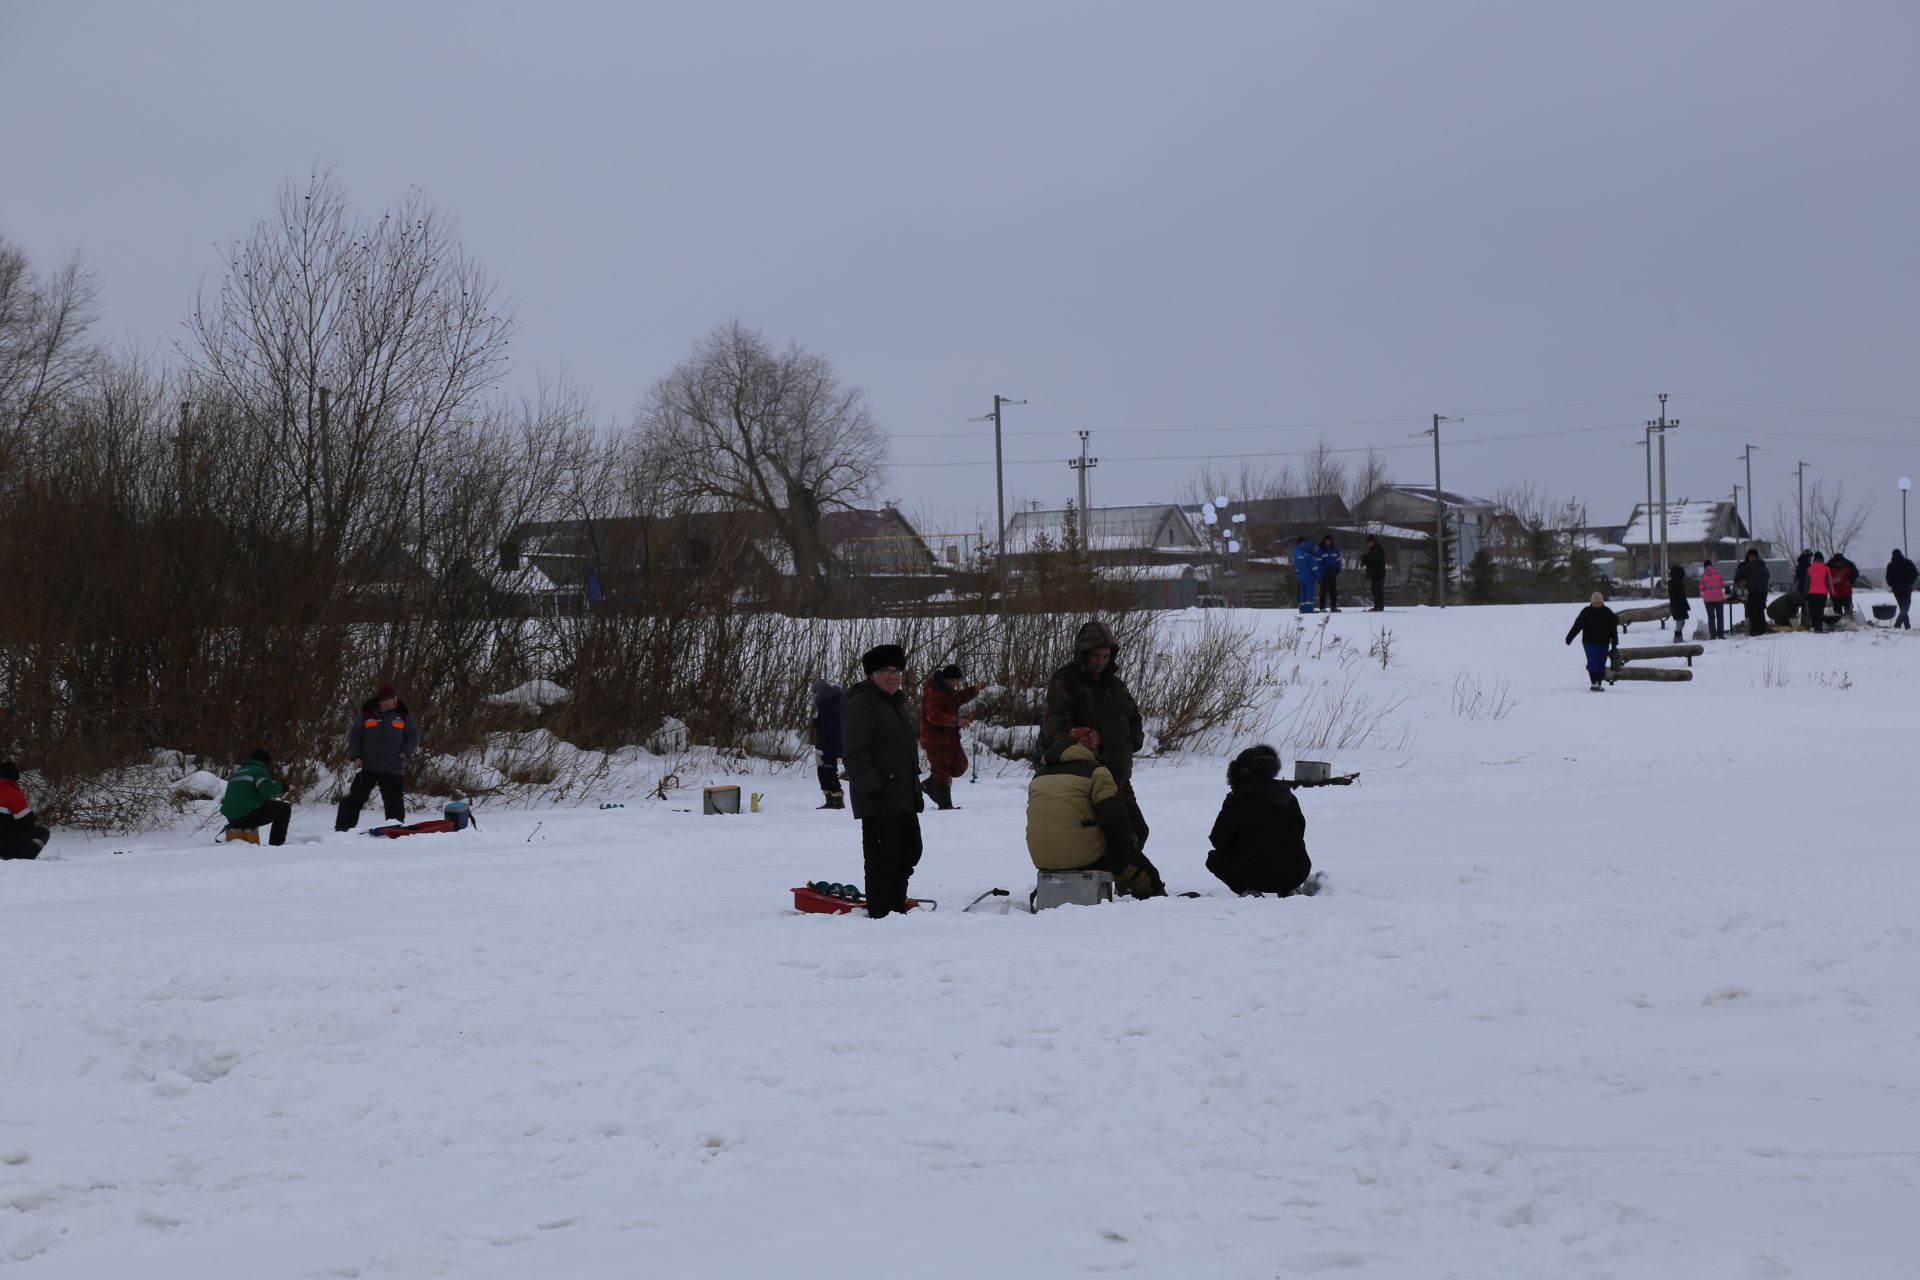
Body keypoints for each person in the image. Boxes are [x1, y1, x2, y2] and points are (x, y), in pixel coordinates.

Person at [1042, 620, 1149, 852]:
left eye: (1105, 656)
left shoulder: (1116, 686)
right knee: (1095, 836)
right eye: (1095, 656)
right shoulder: (1065, 680)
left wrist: (1131, 742)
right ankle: (1097, 883)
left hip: (1118, 775)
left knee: (1137, 830)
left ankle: (1123, 881)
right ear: (1083, 653)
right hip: (1084, 777)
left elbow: (1134, 717)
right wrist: (1079, 740)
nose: (1101, 662)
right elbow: (1054, 724)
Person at [1026, 727, 1165, 899]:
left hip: (1043, 860)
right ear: (1090, 746)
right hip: (1083, 859)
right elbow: (1115, 818)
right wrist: (1125, 848)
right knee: (1142, 870)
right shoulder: (1096, 773)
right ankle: (1156, 900)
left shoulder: (1039, 777)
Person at [842, 644, 925, 919]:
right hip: (879, 797)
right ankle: (882, 913)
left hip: (903, 796)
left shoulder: (895, 703)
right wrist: (871, 789)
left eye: (897, 671)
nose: (893, 676)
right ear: (871, 674)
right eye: (885, 671)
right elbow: (854, 752)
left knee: (910, 851)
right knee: (883, 859)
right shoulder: (861, 704)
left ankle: (896, 905)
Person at [1206, 745, 1312, 897]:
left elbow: (1219, 841)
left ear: (1240, 772)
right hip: (1298, 872)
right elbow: (1300, 831)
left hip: (1257, 876)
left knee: (1213, 859)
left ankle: (1249, 891)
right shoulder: (1288, 796)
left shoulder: (1236, 800)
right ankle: (1290, 889)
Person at [334, 683, 420, 831]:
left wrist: (405, 753)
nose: (395, 701)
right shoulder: (366, 713)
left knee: (394, 802)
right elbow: (355, 735)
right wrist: (356, 756)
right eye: (392, 698)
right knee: (354, 799)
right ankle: (342, 830)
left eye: (396, 697)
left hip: (393, 767)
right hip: (368, 766)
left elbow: (414, 735)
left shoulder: (403, 715)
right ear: (383, 700)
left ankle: (395, 830)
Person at [918, 663, 982, 811]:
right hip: (935, 739)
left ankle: (929, 785)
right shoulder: (933, 692)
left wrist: (974, 689)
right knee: (941, 771)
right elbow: (933, 715)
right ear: (950, 679)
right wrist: (957, 721)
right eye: (957, 680)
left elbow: (958, 698)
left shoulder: (947, 691)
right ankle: (945, 806)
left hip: (950, 737)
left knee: (959, 766)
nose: (958, 683)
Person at [219, 747, 293, 846]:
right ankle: (276, 844)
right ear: (265, 761)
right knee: (284, 809)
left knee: (267, 805)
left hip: (231, 818)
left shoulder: (237, 772)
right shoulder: (259, 771)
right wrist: (286, 788)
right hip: (246, 816)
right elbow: (267, 790)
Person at [1564, 591, 1620, 691]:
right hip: (1588, 642)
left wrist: (1614, 643)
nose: (1597, 605)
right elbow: (1577, 626)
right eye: (1595, 603)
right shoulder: (1586, 612)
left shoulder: (1608, 613)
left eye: (1599, 603)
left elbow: (1613, 629)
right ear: (1591, 602)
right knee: (1593, 661)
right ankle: (1594, 683)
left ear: (1602, 602)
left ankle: (1599, 683)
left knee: (1601, 663)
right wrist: (1569, 637)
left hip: (1604, 642)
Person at [0, 761, 50, 860]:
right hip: (3, 841)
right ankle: (20, 860)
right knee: (42, 833)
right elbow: (27, 821)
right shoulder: (11, 793)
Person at [812, 680, 845, 810]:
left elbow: (827, 727)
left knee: (826, 770)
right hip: (836, 741)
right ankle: (832, 799)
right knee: (826, 770)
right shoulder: (836, 701)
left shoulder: (826, 702)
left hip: (829, 743)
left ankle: (836, 800)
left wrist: (819, 748)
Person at [1734, 548, 1770, 636]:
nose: (1750, 558)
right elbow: (1768, 576)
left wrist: (1739, 581)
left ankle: (1755, 630)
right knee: (1760, 609)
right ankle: (1762, 628)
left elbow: (1739, 573)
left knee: (1753, 610)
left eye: (1751, 556)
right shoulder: (1763, 565)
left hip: (1753, 590)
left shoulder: (1749, 565)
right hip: (1763, 591)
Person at [1886, 549, 1917, 629]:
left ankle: (1902, 624)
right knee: (1905, 607)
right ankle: (1901, 625)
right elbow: (1915, 573)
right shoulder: (1908, 563)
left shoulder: (1891, 565)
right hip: (1907, 588)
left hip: (1897, 590)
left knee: (1902, 607)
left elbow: (1888, 578)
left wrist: (1892, 584)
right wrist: (1911, 582)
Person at [1698, 559, 1727, 640]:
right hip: (1718, 598)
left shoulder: (1702, 576)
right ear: (1711, 566)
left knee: (1711, 617)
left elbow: (1701, 588)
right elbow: (1722, 585)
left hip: (1708, 599)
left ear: (1704, 567)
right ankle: (1720, 635)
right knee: (1720, 617)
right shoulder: (1718, 574)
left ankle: (1713, 635)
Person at [1290, 536, 1319, 613]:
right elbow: (1314, 567)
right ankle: (1308, 608)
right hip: (1308, 576)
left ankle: (1302, 607)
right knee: (1308, 592)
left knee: (1302, 592)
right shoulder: (1306, 554)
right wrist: (1319, 576)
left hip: (1300, 576)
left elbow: (1296, 565)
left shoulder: (1296, 552)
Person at [1805, 553, 1831, 632]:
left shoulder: (1810, 568)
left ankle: (1813, 626)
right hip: (1822, 593)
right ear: (1822, 559)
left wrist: (1805, 593)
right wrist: (1832, 591)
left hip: (1812, 593)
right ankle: (1819, 628)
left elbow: (1807, 582)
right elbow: (1828, 581)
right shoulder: (1826, 568)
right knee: (1820, 610)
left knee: (1813, 610)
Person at [1316, 536, 1343, 612]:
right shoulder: (1320, 551)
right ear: (1324, 541)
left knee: (1333, 591)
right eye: (1327, 541)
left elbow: (1339, 560)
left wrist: (1337, 569)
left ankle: (1334, 607)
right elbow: (1318, 562)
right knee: (1323, 592)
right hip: (1324, 575)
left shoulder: (1335, 550)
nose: (1328, 542)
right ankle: (1322, 607)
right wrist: (1325, 570)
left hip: (1333, 574)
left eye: (1329, 541)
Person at [1361, 535, 1387, 611]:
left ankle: (1380, 606)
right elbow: (1369, 559)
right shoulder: (1372, 549)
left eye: (1370, 542)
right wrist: (1364, 560)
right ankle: (1376, 606)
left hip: (1378, 573)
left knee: (1378, 590)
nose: (1368, 544)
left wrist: (1364, 558)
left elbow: (1373, 558)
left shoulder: (1377, 548)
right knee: (1374, 590)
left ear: (1373, 542)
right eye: (1367, 542)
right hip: (1374, 574)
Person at [1667, 564, 1693, 640]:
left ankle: (1679, 637)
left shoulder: (1672, 582)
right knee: (1680, 622)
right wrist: (1686, 605)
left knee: (1680, 622)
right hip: (1679, 606)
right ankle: (1677, 637)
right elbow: (1681, 596)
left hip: (1675, 605)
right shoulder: (1678, 583)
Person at [1829, 553, 1856, 618]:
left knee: (1847, 610)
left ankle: (1848, 622)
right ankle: (1840, 622)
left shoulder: (1849, 565)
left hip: (1844, 592)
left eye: (1840, 563)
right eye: (1837, 563)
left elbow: (1855, 573)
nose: (1838, 564)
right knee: (1838, 611)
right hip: (1836, 593)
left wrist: (1850, 581)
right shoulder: (1829, 565)